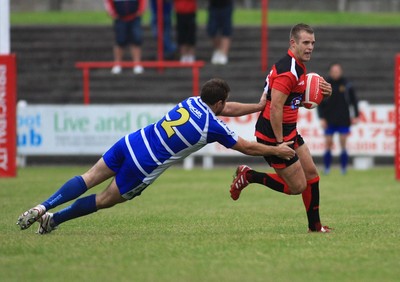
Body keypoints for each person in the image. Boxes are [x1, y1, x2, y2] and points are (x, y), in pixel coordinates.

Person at [16, 78, 295, 235]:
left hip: (131, 141)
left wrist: (258, 106)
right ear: (218, 103)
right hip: (143, 165)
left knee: (87, 177)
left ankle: (43, 205)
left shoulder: (192, 101)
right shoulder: (210, 126)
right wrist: (276, 149)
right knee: (102, 199)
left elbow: (227, 108)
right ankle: (54, 220)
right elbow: (247, 147)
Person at [230, 24, 333, 233]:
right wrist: (279, 144)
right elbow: (276, 106)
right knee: (297, 187)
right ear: (293, 43)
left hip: (288, 130)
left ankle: (315, 227)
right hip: (273, 135)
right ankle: (249, 176)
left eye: (313, 43)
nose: (310, 47)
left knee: (311, 173)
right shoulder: (289, 71)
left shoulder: (297, 66)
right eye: (305, 42)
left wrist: (324, 93)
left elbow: (295, 100)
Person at [318, 62, 359, 175]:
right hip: (329, 118)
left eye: (337, 71)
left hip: (343, 119)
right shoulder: (325, 84)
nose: (335, 73)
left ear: (341, 72)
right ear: (330, 72)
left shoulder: (347, 84)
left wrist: (356, 116)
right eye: (333, 71)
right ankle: (326, 168)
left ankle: (343, 168)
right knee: (328, 143)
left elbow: (354, 101)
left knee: (343, 143)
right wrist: (321, 118)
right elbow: (320, 102)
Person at [104, 0, 146, 75]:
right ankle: (117, 64)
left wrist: (141, 10)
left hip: (134, 17)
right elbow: (108, 2)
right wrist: (112, 13)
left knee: (136, 40)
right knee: (120, 41)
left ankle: (137, 64)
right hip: (120, 18)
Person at [207, 0, 233, 65]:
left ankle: (224, 53)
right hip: (214, 5)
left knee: (226, 30)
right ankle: (218, 51)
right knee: (212, 30)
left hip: (226, 5)